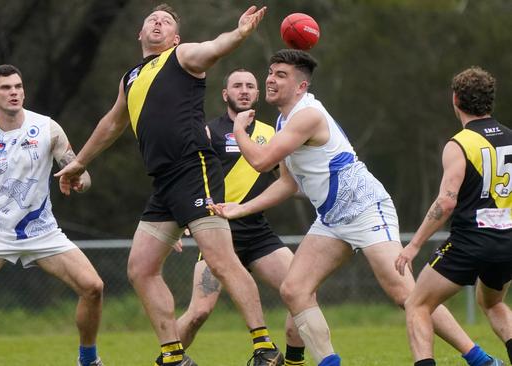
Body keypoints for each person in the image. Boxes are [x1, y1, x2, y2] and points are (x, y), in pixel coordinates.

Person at [210, 49, 497, 366]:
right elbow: (287, 184)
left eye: (281, 75)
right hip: (332, 219)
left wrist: (238, 128)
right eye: (271, 72)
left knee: (408, 295)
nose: (270, 80)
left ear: (301, 86)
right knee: (294, 289)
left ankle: (481, 359)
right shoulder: (283, 121)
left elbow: (262, 161)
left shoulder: (308, 115)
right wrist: (242, 208)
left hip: (365, 207)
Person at [55, 4, 283, 366]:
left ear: (175, 37)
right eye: (152, 20)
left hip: (194, 169)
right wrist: (79, 162)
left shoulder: (181, 55)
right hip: (163, 181)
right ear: (140, 34)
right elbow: (113, 124)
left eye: (166, 22)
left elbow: (214, 47)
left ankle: (264, 348)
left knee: (222, 261)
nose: (158, 23)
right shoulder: (130, 77)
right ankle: (174, 356)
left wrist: (238, 34)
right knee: (140, 268)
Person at [0, 64, 105, 366]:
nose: (14, 92)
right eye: (6, 88)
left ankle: (88, 359)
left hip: (43, 232)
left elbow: (81, 174)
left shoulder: (47, 128)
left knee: (93, 287)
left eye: (18, 86)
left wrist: (78, 178)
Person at [175, 68, 306, 366]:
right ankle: (169, 358)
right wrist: (178, 221)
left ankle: (293, 361)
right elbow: (185, 179)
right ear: (225, 94)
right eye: (237, 86)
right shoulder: (208, 131)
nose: (244, 90)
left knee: (301, 291)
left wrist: (327, 192)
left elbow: (287, 182)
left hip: (259, 234)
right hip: (218, 234)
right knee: (199, 313)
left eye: (250, 86)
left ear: (258, 94)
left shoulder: (271, 134)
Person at [395, 66, 510, 366]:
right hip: (507, 243)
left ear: (456, 100)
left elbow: (446, 203)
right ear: (490, 101)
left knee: (417, 304)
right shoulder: (510, 138)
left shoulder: (459, 144)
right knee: (493, 302)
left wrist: (414, 244)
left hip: (470, 243)